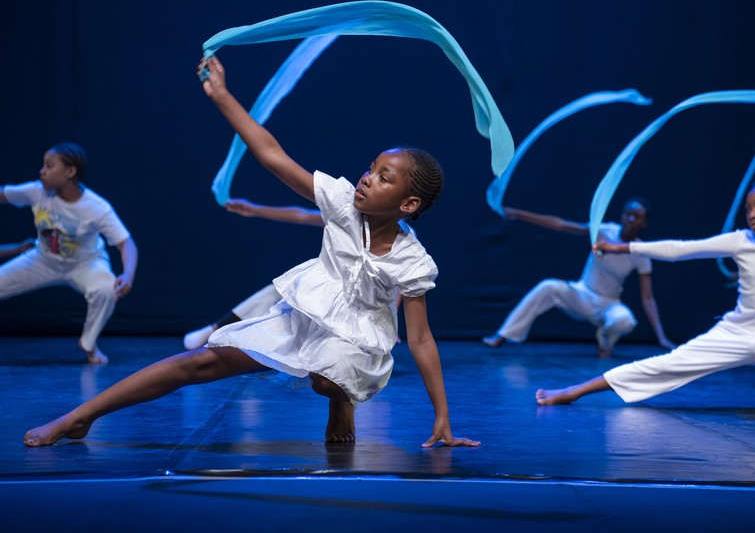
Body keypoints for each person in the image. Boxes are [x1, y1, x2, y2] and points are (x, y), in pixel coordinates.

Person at [23, 55, 478, 448]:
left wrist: (443, 417)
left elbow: (420, 339)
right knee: (200, 362)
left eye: (383, 177)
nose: (366, 177)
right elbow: (272, 156)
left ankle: (341, 400)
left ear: (408, 204)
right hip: (303, 317)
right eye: (370, 168)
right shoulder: (342, 204)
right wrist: (222, 95)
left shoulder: (411, 260)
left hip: (357, 343)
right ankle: (80, 416)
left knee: (327, 378)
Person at [535, 172, 755, 412]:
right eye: (749, 208)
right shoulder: (741, 241)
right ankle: (574, 391)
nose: (752, 215)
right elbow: (679, 249)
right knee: (666, 365)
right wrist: (620, 248)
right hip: (735, 334)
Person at [1, 143, 138, 364]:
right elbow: (3, 195)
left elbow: (126, 243)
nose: (42, 171)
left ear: (70, 171)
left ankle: (88, 343)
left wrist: (128, 274)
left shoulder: (96, 207)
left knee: (106, 289)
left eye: (49, 166)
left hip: (85, 264)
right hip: (42, 260)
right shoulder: (37, 191)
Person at [482, 201, 673, 357]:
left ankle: (605, 341)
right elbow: (561, 225)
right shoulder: (605, 231)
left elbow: (647, 298)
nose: (631, 219)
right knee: (548, 286)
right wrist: (518, 213)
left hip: (608, 305)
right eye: (628, 214)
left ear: (644, 223)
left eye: (637, 216)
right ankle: (503, 335)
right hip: (581, 295)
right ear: (622, 216)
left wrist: (661, 337)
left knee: (625, 320)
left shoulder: (641, 252)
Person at [182, 198, 323, 350]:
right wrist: (255, 209)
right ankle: (220, 328)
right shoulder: (340, 211)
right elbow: (304, 215)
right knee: (285, 287)